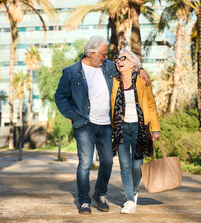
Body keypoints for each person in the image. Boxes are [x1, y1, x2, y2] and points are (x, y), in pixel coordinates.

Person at [54, 36, 150, 215]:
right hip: (84, 124)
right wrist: (73, 116)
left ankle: (100, 194)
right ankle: (84, 201)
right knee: (85, 163)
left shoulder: (106, 67)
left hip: (106, 124)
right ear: (91, 53)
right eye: (102, 54)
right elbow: (60, 97)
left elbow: (128, 66)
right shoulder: (71, 72)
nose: (105, 58)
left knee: (107, 162)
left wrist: (142, 69)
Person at [111, 49, 160, 214]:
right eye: (117, 59)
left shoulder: (141, 80)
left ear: (132, 62)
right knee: (124, 166)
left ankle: (133, 191)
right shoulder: (113, 81)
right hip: (121, 128)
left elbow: (151, 105)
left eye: (122, 58)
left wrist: (156, 129)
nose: (118, 61)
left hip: (140, 127)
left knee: (137, 166)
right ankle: (130, 200)